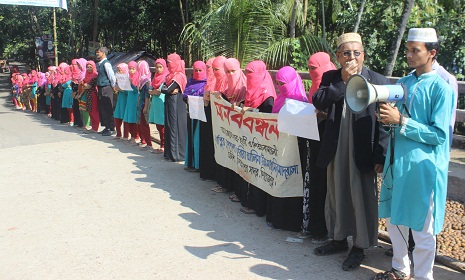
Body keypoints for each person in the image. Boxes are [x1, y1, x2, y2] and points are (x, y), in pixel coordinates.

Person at [374, 28, 455, 280]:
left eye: (414, 50)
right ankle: (400, 268)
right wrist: (387, 119)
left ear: (432, 53)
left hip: (422, 167)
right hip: (396, 163)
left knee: (422, 227)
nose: (408, 55)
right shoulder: (405, 83)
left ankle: (423, 276)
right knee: (393, 218)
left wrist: (402, 121)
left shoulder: (442, 89)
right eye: (407, 49)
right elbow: (394, 123)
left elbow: (439, 135)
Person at [312, 32, 389, 271]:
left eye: (357, 53)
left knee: (361, 196)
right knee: (336, 193)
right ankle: (337, 238)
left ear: (364, 55)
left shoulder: (377, 80)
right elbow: (319, 100)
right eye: (347, 53)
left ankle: (359, 246)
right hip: (336, 146)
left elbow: (385, 121)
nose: (352, 57)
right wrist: (343, 82)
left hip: (362, 148)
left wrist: (380, 153)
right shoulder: (331, 77)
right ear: (338, 56)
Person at [300, 52, 336, 242]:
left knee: (328, 184)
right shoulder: (316, 85)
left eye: (314, 68)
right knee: (315, 182)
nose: (311, 71)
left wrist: (324, 114)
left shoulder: (335, 81)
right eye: (309, 68)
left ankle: (328, 230)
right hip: (314, 138)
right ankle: (315, 227)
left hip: (329, 139)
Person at [161, 53, 187, 162]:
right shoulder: (169, 75)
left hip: (176, 104)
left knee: (175, 127)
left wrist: (166, 89)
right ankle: (168, 153)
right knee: (168, 125)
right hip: (169, 102)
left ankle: (176, 154)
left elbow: (167, 89)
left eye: (169, 63)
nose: (168, 65)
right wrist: (166, 89)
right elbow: (163, 88)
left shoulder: (179, 75)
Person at [183, 60, 207, 171]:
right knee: (191, 137)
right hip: (191, 113)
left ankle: (198, 164)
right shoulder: (190, 81)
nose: (197, 72)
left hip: (202, 114)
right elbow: (184, 94)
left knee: (198, 138)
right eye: (195, 70)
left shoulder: (207, 82)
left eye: (200, 70)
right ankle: (190, 163)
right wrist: (188, 98)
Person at [199, 57, 217, 181]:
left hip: (215, 116)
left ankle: (213, 172)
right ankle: (205, 171)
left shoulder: (220, 80)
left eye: (211, 67)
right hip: (206, 113)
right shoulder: (209, 81)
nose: (209, 70)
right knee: (206, 141)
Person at [148, 59, 169, 154]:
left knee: (163, 125)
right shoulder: (155, 77)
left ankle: (165, 145)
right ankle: (161, 145)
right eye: (156, 67)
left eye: (160, 67)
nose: (158, 69)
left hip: (162, 102)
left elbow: (158, 91)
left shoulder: (166, 77)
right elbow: (151, 89)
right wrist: (153, 92)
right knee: (158, 125)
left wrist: (152, 92)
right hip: (156, 103)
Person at [95, 47, 117, 136]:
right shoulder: (99, 64)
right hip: (100, 88)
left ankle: (112, 128)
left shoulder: (106, 64)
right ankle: (106, 126)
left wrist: (113, 86)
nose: (97, 54)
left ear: (103, 53)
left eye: (98, 52)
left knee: (108, 108)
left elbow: (111, 76)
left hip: (106, 88)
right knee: (103, 108)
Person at [137, 60, 153, 150]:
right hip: (140, 103)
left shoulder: (145, 80)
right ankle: (145, 141)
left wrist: (146, 107)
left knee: (144, 124)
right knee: (141, 123)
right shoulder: (141, 79)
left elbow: (147, 95)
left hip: (144, 104)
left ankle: (149, 143)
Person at [82, 61, 100, 133]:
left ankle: (95, 128)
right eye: (87, 67)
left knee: (94, 111)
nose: (89, 69)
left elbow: (88, 86)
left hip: (93, 94)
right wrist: (85, 86)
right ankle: (93, 127)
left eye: (90, 67)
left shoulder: (95, 75)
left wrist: (85, 86)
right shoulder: (86, 75)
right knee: (90, 111)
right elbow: (84, 86)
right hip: (88, 94)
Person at [113, 63, 130, 139]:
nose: (119, 72)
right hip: (120, 99)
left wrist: (120, 88)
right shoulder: (119, 78)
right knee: (117, 116)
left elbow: (127, 90)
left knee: (125, 117)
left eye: (120, 70)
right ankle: (118, 134)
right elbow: (116, 88)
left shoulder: (129, 78)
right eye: (118, 70)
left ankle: (126, 136)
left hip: (125, 100)